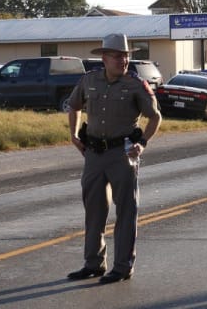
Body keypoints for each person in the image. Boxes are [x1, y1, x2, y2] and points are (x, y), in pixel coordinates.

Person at [67, 33, 162, 284]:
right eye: (118, 56)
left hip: (123, 153)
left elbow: (155, 117)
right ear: (105, 58)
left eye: (126, 56)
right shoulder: (89, 80)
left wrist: (142, 143)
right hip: (94, 154)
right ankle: (93, 263)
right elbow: (74, 105)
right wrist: (74, 134)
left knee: (126, 211)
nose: (124, 61)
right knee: (94, 211)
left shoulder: (135, 85)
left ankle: (122, 267)